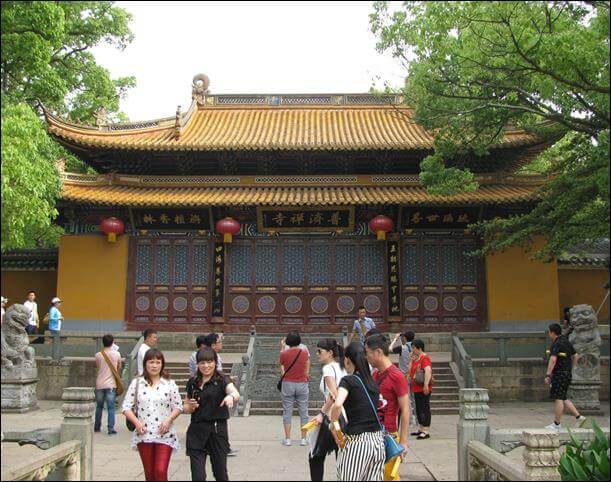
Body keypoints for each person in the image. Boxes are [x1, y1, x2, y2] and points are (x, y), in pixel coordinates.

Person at [122, 348, 183, 481]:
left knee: (160, 471)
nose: (154, 366)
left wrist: (169, 419)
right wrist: (137, 423)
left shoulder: (169, 384)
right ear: (145, 364)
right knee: (149, 474)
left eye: (158, 362)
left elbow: (178, 406)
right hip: (144, 433)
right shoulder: (137, 383)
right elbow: (126, 407)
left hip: (164, 433)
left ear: (162, 364)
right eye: (151, 362)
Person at [329, 342, 385, 481]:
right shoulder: (372, 382)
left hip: (357, 442)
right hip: (378, 441)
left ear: (347, 360)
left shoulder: (348, 381)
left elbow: (337, 405)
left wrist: (333, 425)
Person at [183, 347, 241, 481]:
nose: (206, 366)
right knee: (198, 476)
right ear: (197, 364)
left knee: (220, 473)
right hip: (196, 430)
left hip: (216, 430)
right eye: (202, 362)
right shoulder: (193, 382)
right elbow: (185, 406)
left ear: (215, 362)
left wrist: (230, 397)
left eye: (210, 362)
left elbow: (234, 392)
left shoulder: (222, 379)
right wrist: (189, 407)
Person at [365, 333, 410, 480]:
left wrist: (403, 442)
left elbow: (405, 410)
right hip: (374, 435)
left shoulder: (397, 376)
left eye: (368, 353)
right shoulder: (376, 375)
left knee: (389, 477)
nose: (367, 357)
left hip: (389, 435)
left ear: (378, 352)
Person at [309, 338, 347, 481]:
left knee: (315, 455)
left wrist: (321, 413)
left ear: (330, 353)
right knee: (342, 455)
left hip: (331, 418)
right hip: (344, 417)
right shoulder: (342, 367)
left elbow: (333, 396)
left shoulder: (328, 369)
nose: (317, 354)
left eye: (320, 351)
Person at [544, 323, 587, 430]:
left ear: (553, 332)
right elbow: (576, 355)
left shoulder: (556, 343)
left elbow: (553, 359)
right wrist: (571, 367)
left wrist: (548, 374)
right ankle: (579, 417)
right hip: (567, 373)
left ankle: (557, 424)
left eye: (549, 332)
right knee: (563, 397)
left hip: (559, 373)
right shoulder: (566, 341)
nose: (549, 334)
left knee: (558, 398)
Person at [279, 331, 310, 446]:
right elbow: (307, 364)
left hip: (288, 383)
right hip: (302, 383)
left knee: (287, 411)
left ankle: (288, 439)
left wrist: (282, 347)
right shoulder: (304, 352)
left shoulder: (284, 354)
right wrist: (306, 375)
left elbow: (281, 364)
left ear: (287, 342)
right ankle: (303, 439)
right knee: (304, 411)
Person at [95, 334, 122, 435]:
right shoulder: (117, 354)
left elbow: (98, 367)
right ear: (113, 342)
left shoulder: (98, 355)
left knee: (99, 406)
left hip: (100, 383)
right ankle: (110, 429)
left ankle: (97, 426)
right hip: (111, 384)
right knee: (111, 408)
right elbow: (119, 366)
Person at [390, 331, 418, 431]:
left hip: (404, 376)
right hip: (414, 375)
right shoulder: (417, 347)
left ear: (405, 338)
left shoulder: (403, 347)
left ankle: (410, 420)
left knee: (407, 399)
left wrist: (395, 339)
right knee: (414, 398)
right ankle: (417, 420)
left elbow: (390, 349)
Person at [410, 339, 433, 439]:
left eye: (414, 348)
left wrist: (426, 385)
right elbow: (409, 370)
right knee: (419, 408)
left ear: (419, 348)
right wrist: (411, 359)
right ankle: (421, 428)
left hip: (422, 388)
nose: (412, 350)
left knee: (424, 408)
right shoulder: (418, 358)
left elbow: (428, 370)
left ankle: (426, 430)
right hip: (416, 388)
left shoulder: (425, 358)